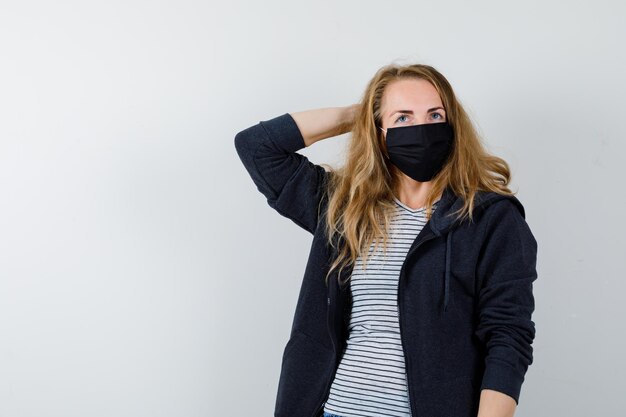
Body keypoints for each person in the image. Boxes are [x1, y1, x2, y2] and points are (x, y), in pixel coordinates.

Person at [234, 63, 538, 417]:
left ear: (453, 124)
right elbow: (256, 147)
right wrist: (357, 115)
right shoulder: (343, 206)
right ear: (379, 131)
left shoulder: (491, 217)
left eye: (435, 115)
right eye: (403, 118)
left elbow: (508, 336)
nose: (421, 128)